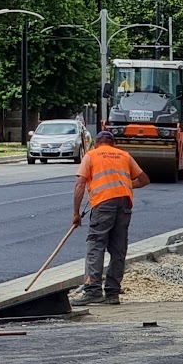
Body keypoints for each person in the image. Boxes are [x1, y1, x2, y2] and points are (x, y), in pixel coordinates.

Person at [69, 131, 150, 307]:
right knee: (118, 248)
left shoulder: (91, 155)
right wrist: (126, 185)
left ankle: (93, 291)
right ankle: (113, 293)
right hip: (124, 203)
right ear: (113, 144)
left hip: (103, 204)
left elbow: (80, 184)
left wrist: (76, 213)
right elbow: (144, 180)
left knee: (95, 245)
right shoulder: (124, 156)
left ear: (97, 143)